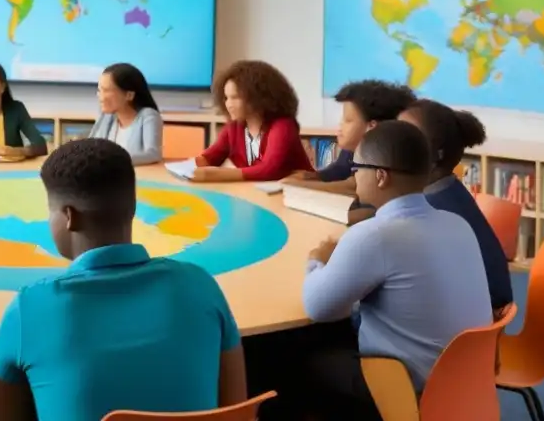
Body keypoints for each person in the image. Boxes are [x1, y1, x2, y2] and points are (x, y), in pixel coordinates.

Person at [0, 138, 246, 421]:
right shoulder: (201, 288)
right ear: (133, 207)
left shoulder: (29, 310)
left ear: (69, 217)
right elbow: (235, 410)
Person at [300, 121, 491, 419]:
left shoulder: (375, 235)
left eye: (356, 166)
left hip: (406, 387)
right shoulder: (458, 224)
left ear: (380, 176)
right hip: (467, 382)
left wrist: (318, 260)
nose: (353, 175)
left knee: (295, 356)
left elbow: (317, 307)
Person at [399, 99, 513, 312]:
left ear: (435, 155)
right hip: (480, 316)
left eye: (406, 139)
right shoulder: (448, 191)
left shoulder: (432, 210)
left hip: (470, 324)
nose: (391, 144)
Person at [285, 80, 416, 224]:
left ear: (371, 127)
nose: (340, 125)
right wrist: (310, 176)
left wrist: (294, 186)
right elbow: (336, 172)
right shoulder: (351, 150)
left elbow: (353, 187)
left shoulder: (384, 157)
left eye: (348, 120)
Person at [192, 60, 311, 182]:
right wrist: (188, 166)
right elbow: (211, 157)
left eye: (235, 97)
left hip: (298, 194)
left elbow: (269, 170)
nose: (229, 104)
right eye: (226, 98)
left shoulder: (283, 126)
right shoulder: (234, 127)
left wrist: (216, 175)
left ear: (259, 97)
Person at [88, 63, 164, 165]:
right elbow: (89, 146)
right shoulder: (106, 116)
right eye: (99, 90)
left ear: (129, 95)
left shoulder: (148, 116)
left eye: (106, 90)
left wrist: (111, 159)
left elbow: (153, 154)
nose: (100, 97)